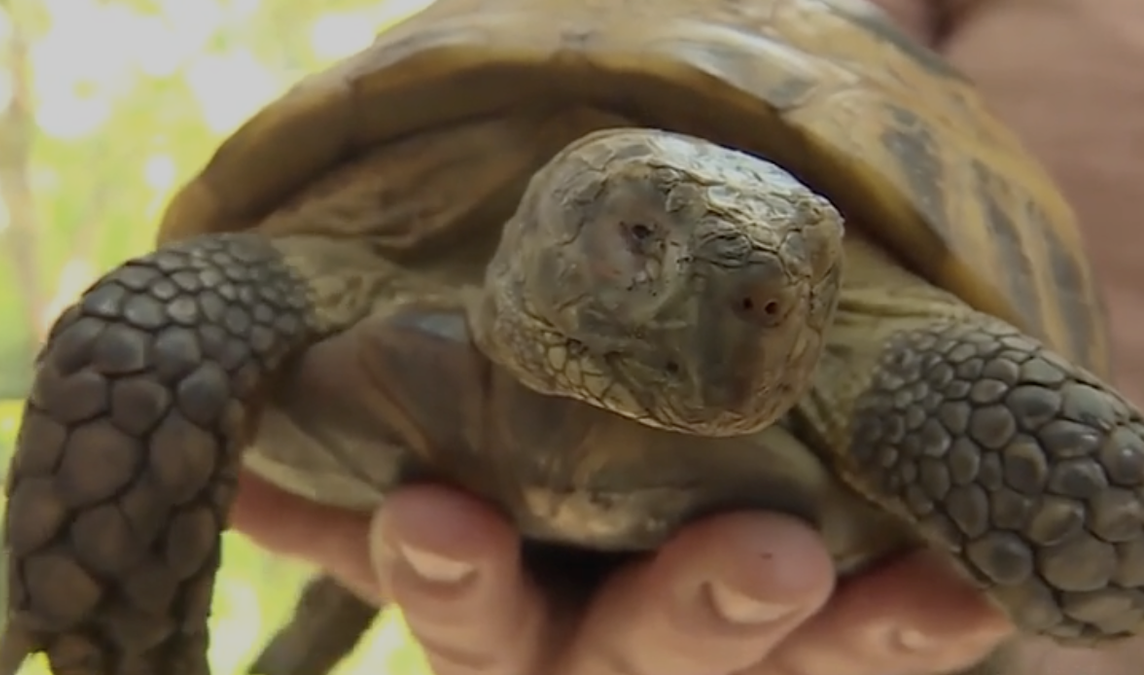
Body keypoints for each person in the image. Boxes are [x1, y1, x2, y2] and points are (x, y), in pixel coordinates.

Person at [232, 1, 1144, 673]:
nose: (756, 301)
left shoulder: (901, 356)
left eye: (789, 296)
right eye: (637, 242)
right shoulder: (375, 225)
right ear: (553, 219)